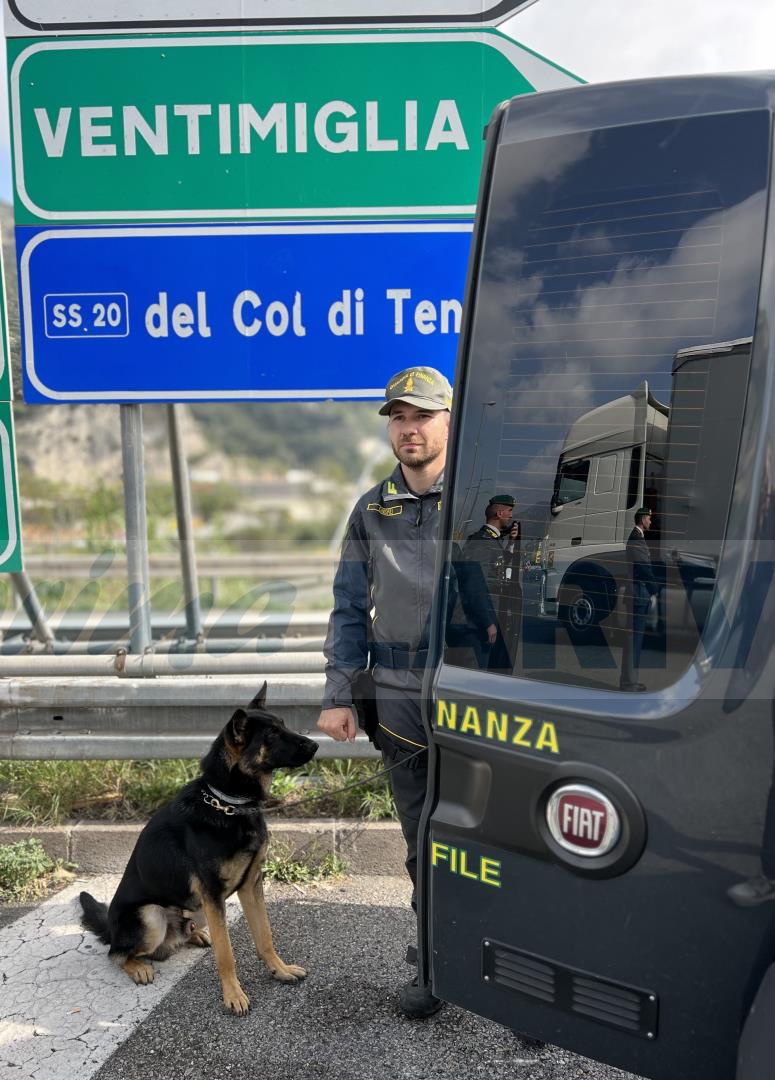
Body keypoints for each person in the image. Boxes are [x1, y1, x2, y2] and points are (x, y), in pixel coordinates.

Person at [317, 365, 452, 1020]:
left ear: (448, 421)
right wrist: (340, 692)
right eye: (399, 417)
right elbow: (347, 608)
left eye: (422, 416)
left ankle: (512, 977)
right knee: (421, 830)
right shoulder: (372, 510)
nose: (409, 429)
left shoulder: (486, 504)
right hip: (397, 698)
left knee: (500, 833)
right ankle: (433, 961)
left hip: (475, 694)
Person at [460, 495, 520, 671]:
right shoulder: (482, 543)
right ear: (500, 513)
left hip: (486, 619)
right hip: (479, 623)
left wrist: (510, 544)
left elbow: (496, 564)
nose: (510, 516)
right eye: (509, 511)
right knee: (477, 672)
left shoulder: (490, 541)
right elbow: (475, 586)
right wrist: (488, 623)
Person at [619, 507, 659, 692]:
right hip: (637, 594)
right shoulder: (636, 539)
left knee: (634, 640)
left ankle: (630, 680)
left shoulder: (638, 537)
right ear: (643, 518)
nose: (651, 521)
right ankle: (629, 683)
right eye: (649, 518)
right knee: (633, 640)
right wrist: (654, 588)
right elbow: (643, 567)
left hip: (637, 594)